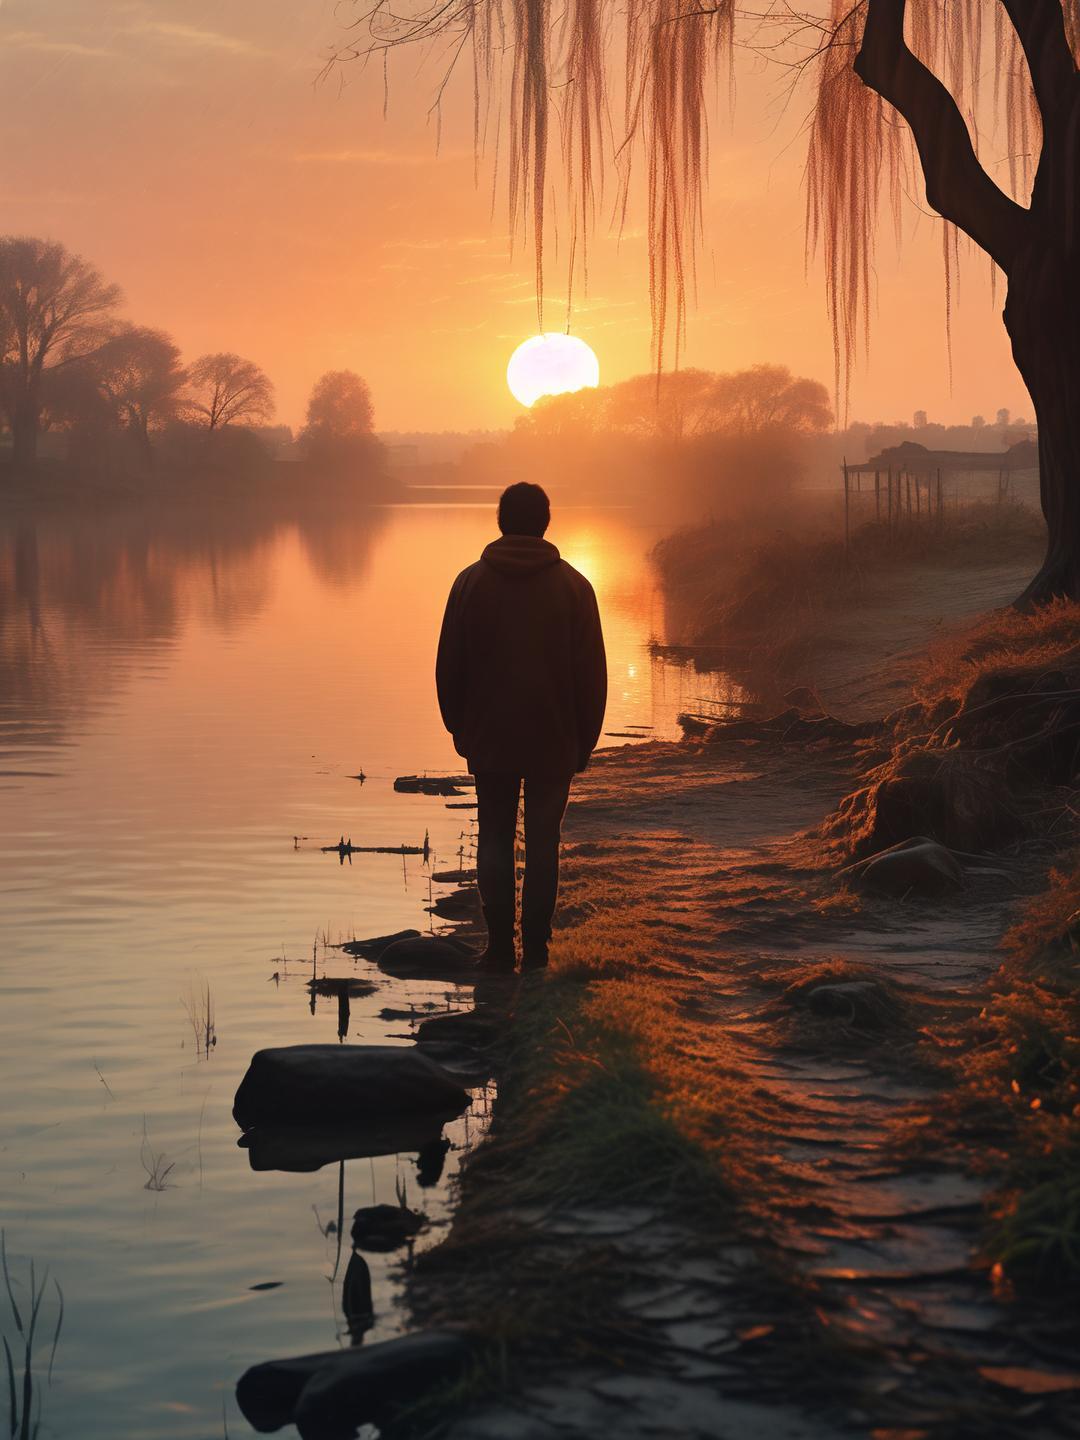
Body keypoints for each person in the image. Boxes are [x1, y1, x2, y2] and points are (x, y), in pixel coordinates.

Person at [436, 482, 607, 971]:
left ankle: (497, 947)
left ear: (501, 522)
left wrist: (459, 728)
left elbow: (449, 665)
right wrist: (584, 739)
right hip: (554, 738)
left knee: (493, 837)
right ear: (545, 523)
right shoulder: (575, 587)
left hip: (489, 737)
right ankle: (536, 950)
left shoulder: (469, 583)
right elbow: (592, 673)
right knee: (543, 841)